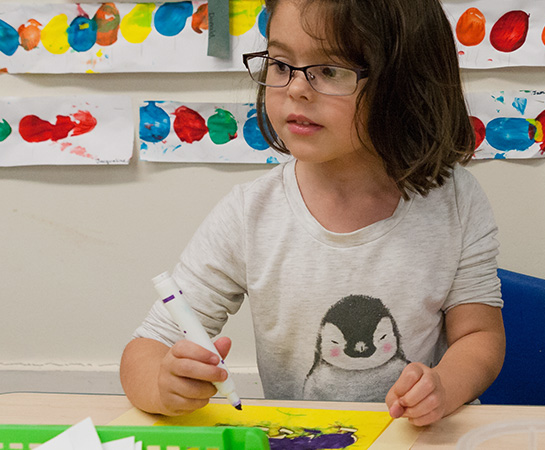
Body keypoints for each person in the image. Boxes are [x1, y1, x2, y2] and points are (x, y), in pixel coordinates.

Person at [120, 0, 504, 426]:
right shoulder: (249, 214)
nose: (296, 89)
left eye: (331, 71)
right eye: (281, 64)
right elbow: (148, 346)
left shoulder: (455, 200)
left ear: (405, 82)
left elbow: (479, 336)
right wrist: (161, 382)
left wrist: (444, 386)